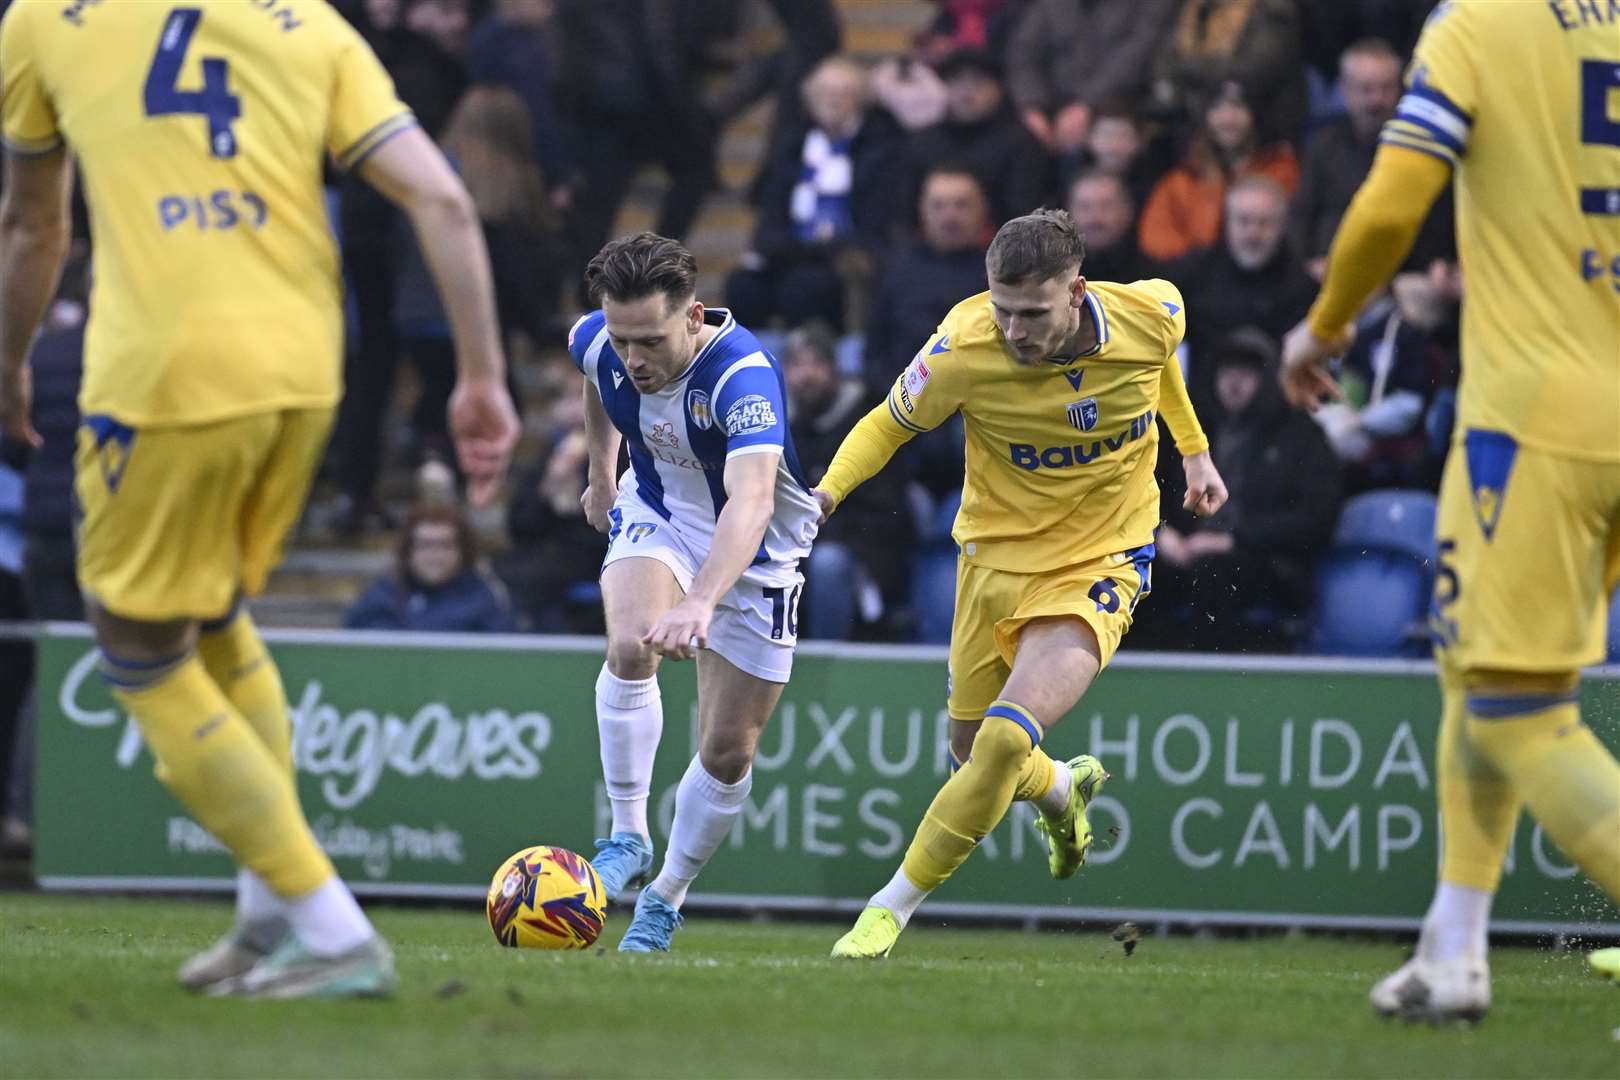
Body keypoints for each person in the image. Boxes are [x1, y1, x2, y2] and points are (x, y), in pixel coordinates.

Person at [0, 0, 519, 998]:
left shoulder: (41, 22)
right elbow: (446, 200)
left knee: (137, 644)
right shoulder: (312, 27)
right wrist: (481, 375)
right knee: (216, 617)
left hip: (165, 375)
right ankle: (263, 921)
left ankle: (330, 928)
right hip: (307, 367)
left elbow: (34, 227)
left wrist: (11, 361)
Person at [1278, 1, 1620, 1019]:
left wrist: (1326, 324)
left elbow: (1392, 200)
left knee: (1521, 708)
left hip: (1536, 420)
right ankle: (1454, 947)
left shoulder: (1482, 23)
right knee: (1476, 669)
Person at [814, 209, 1228, 958]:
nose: (1015, 329)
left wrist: (1193, 451)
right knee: (976, 759)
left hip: (1101, 560)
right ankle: (1061, 792)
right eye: (1003, 310)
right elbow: (886, 424)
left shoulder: (1154, 308)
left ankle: (888, 910)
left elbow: (1158, 357)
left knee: (1007, 736)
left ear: (1077, 291)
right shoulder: (963, 346)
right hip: (994, 562)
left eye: (1033, 314)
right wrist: (825, 496)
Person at [573, 233, 821, 952]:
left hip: (756, 556)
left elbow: (749, 504)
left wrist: (702, 600)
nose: (633, 359)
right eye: (623, 340)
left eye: (649, 340)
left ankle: (666, 897)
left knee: (728, 751)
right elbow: (594, 375)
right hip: (659, 513)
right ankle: (626, 834)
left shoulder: (743, 378)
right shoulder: (600, 340)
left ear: (693, 316)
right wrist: (599, 472)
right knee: (629, 642)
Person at [1147, 328, 1340, 652]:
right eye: (1226, 371)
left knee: (1214, 575)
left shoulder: (1302, 436)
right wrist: (1163, 533)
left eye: (1247, 373)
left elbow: (1315, 520)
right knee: (1138, 572)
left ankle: (1205, 685)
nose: (1234, 382)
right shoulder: (1192, 431)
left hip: (1268, 565)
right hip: (1187, 551)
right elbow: (1155, 491)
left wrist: (1233, 539)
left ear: (1269, 379)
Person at [782, 323, 914, 640]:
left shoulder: (868, 422)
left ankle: (829, 668)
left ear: (835, 369)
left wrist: (818, 531)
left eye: (816, 364)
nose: (806, 375)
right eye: (796, 365)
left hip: (864, 554)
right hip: (799, 547)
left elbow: (888, 512)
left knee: (828, 564)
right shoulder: (781, 428)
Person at [1137, 78, 1298, 264]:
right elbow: (1156, 236)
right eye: (1217, 109)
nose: (1228, 118)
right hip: (1199, 280)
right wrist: (1199, 262)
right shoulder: (1185, 177)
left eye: (1238, 108)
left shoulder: (1280, 168)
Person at [345, 503, 517, 633]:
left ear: (463, 551)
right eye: (425, 545)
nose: (435, 554)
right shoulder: (382, 597)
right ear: (409, 551)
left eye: (445, 545)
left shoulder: (484, 600)